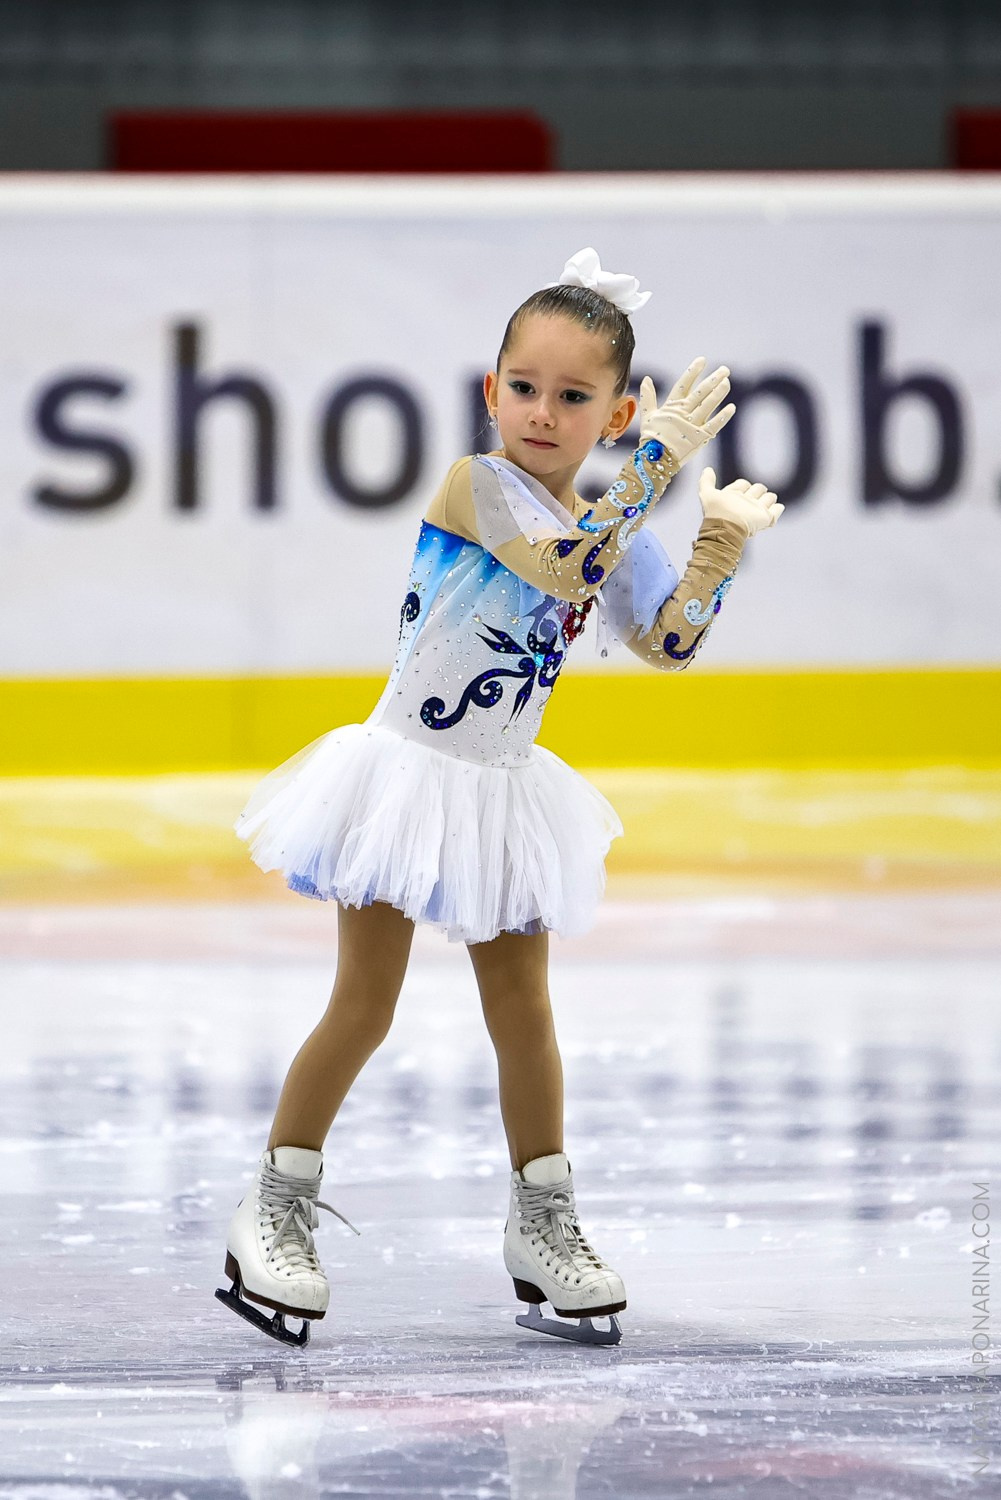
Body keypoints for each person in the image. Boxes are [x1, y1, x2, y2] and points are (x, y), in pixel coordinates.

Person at [215, 246, 783, 1348]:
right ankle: (272, 1207)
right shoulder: (475, 490)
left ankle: (541, 1223)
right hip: (401, 784)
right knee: (365, 1006)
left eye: (573, 397)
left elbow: (666, 643)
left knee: (523, 1011)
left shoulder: (611, 523)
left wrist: (711, 546)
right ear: (490, 390)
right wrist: (650, 474)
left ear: (613, 411)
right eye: (522, 387)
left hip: (501, 793)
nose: (540, 411)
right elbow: (561, 569)